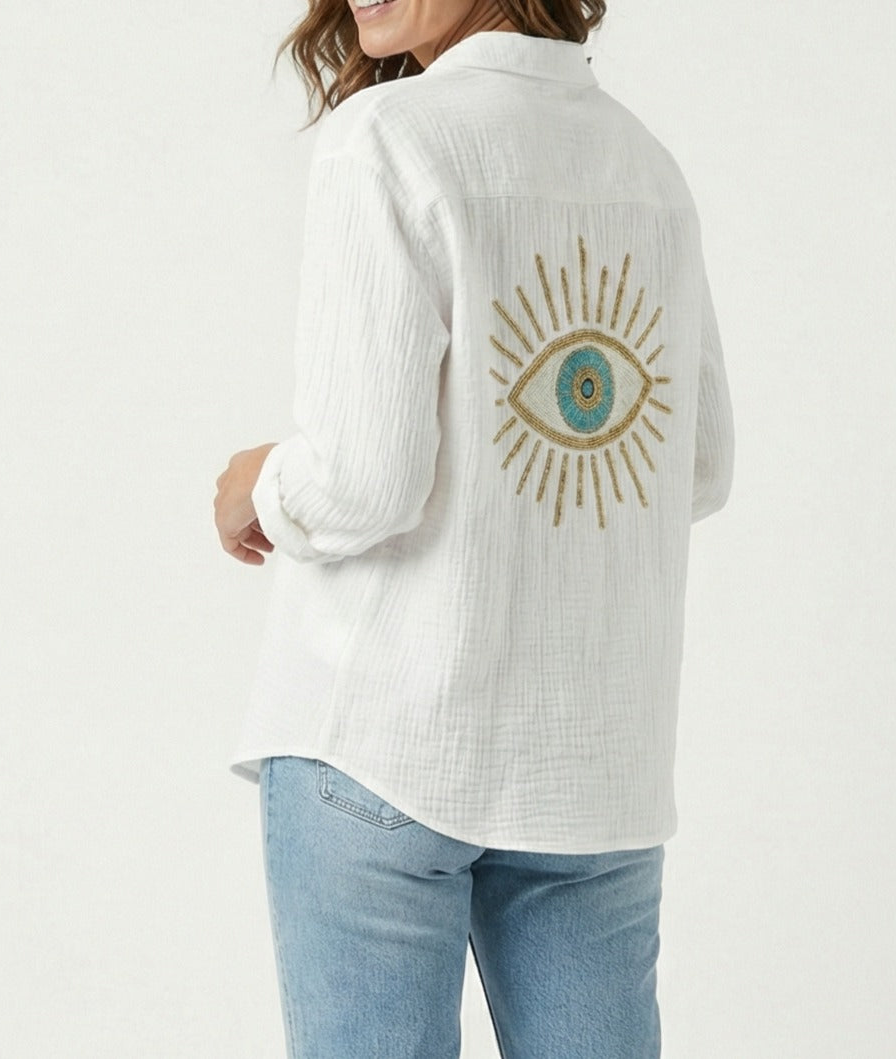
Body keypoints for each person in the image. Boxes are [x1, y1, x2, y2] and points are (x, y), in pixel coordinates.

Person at [212, 0, 734, 1055]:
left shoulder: (387, 136)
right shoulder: (642, 163)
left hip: (382, 744)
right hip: (589, 767)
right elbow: (700, 462)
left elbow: (363, 480)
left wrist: (261, 483)